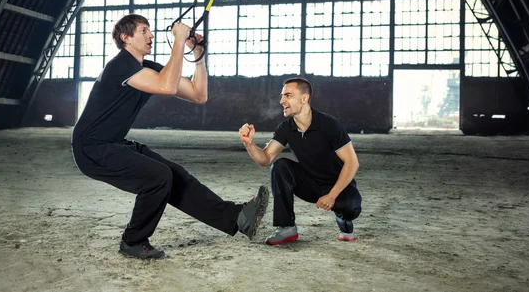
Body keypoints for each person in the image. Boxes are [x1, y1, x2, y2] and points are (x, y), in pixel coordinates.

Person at [71, 14, 269, 259]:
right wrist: (178, 41)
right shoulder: (121, 65)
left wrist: (198, 56)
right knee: (157, 177)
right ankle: (133, 241)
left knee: (174, 174)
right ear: (125, 38)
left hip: (113, 144)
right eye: (143, 31)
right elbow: (166, 86)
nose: (150, 35)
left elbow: (199, 94)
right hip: (91, 148)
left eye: (150, 30)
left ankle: (237, 217)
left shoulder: (147, 68)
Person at [238, 77, 362, 245]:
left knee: (351, 206)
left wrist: (332, 196)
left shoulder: (329, 124)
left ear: (304, 99)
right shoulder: (286, 128)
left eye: (288, 95)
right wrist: (249, 144)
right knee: (279, 166)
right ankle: (286, 227)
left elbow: (352, 163)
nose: (282, 101)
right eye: (282, 96)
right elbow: (266, 159)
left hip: (336, 185)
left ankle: (344, 220)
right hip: (309, 184)